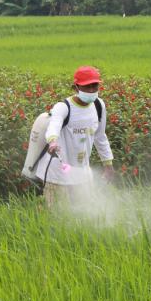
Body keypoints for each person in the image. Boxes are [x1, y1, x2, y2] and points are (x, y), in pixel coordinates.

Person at [35, 65, 114, 206]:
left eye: (94, 86)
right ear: (76, 87)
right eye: (87, 86)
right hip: (57, 172)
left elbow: (100, 136)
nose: (91, 90)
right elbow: (54, 124)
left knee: (85, 211)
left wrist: (108, 163)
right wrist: (53, 141)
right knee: (57, 213)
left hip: (81, 172)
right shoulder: (64, 107)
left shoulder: (98, 106)